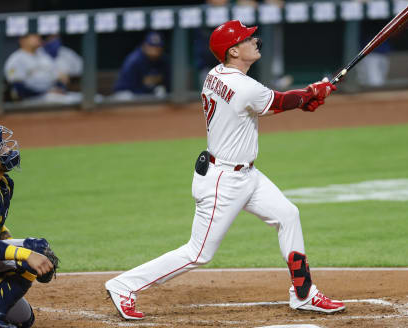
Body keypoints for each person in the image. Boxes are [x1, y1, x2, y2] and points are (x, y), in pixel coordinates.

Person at [105, 20, 344, 320]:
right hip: (224, 181)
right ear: (233, 51)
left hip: (247, 176)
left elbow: (274, 105)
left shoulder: (215, 75)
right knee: (198, 253)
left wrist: (308, 97)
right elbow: (280, 101)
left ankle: (304, 293)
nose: (255, 40)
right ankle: (124, 286)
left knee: (288, 215)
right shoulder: (242, 86)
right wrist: (313, 92)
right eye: (247, 38)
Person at [0, 125, 56, 328]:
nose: (7, 150)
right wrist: (26, 255)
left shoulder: (1, 186)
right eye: (0, 148)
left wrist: (5, 236)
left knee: (24, 319)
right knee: (35, 249)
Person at [4, 34, 81, 104]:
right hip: (31, 98)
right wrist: (45, 93)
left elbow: (57, 78)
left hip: (50, 95)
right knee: (68, 101)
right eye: (33, 35)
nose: (38, 37)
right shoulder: (16, 59)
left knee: (83, 98)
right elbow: (18, 88)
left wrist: (60, 87)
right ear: (22, 40)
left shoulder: (43, 56)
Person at [112, 31, 170, 100]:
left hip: (147, 96)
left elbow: (168, 84)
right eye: (152, 46)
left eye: (158, 47)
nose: (154, 50)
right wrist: (150, 94)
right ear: (144, 46)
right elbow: (129, 87)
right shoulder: (134, 61)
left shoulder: (164, 61)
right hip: (127, 93)